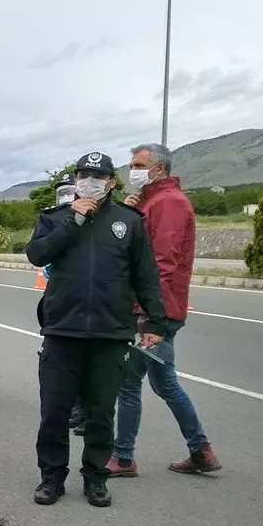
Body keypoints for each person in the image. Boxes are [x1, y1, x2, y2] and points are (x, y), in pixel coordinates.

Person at [26, 151, 167, 507]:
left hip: (110, 333)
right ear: (75, 181)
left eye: (98, 176)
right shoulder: (54, 218)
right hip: (62, 330)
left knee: (101, 412)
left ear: (111, 182)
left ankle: (95, 477)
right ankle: (52, 477)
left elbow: (145, 275)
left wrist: (154, 320)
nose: (90, 181)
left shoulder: (129, 222)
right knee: (55, 411)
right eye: (83, 175)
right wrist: (72, 222)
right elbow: (37, 254)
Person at [108, 143, 220, 477]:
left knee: (129, 383)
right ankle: (201, 450)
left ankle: (123, 457)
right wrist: (130, 211)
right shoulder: (152, 201)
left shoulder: (169, 202)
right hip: (157, 309)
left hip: (157, 312)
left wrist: (147, 314)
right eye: (132, 164)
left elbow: (163, 263)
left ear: (159, 168)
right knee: (164, 383)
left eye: (139, 164)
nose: (133, 171)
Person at [46, 173, 88, 436]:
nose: (65, 196)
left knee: (86, 360)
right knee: (63, 360)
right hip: (60, 300)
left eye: (68, 191)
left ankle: (87, 412)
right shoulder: (54, 220)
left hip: (88, 300)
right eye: (61, 192)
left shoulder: (92, 219)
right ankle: (75, 407)